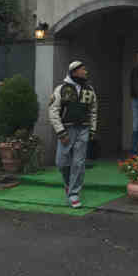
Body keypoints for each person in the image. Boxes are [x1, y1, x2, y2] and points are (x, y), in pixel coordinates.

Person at [48, 61, 98, 208]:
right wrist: (61, 132)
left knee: (78, 163)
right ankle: (70, 185)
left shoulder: (89, 89)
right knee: (61, 162)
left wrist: (92, 130)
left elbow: (93, 111)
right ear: (74, 71)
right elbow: (53, 111)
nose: (86, 72)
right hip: (66, 130)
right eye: (83, 70)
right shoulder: (61, 89)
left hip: (83, 129)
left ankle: (74, 194)